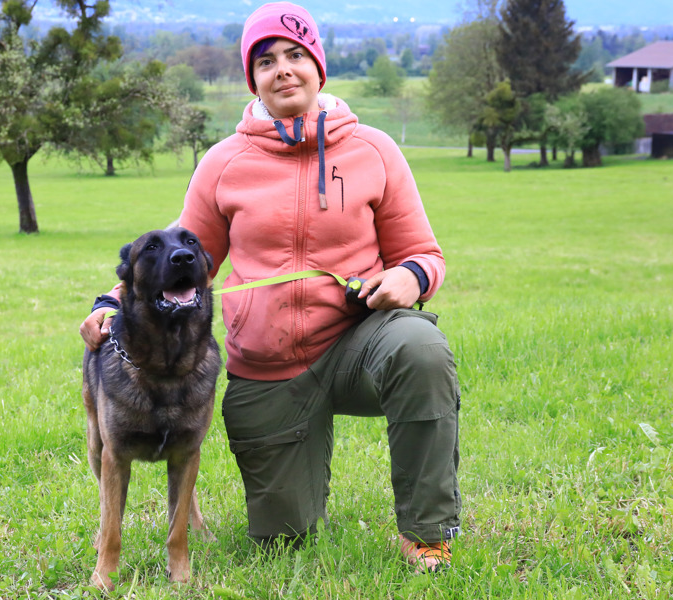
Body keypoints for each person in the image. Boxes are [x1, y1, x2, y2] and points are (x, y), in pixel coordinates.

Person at [80, 1, 461, 573]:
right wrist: (110, 304)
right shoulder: (224, 162)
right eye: (266, 61)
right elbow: (186, 262)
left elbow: (425, 255)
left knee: (422, 350)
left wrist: (410, 276)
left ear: (318, 67)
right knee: (284, 538)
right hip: (270, 368)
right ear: (252, 79)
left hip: (360, 345)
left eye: (296, 54)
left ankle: (426, 534)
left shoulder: (376, 150)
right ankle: (294, 489)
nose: (283, 69)